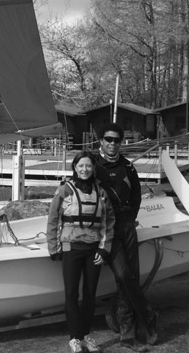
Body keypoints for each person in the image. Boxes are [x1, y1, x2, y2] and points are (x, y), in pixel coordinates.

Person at [93, 123, 158, 352]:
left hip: (126, 225)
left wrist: (130, 219)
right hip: (105, 229)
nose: (112, 144)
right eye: (108, 139)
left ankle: (128, 330)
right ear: (100, 140)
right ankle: (148, 317)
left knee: (128, 278)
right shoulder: (92, 166)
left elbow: (137, 196)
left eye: (116, 140)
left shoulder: (128, 167)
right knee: (124, 274)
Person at [47, 151, 116, 353]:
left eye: (88, 166)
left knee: (90, 294)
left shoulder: (101, 193)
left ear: (93, 168)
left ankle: (85, 336)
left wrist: (104, 250)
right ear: (75, 168)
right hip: (70, 248)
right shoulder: (64, 190)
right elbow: (53, 219)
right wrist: (53, 247)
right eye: (80, 166)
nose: (84, 169)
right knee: (71, 294)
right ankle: (74, 338)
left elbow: (108, 223)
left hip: (93, 250)